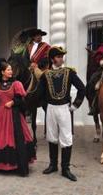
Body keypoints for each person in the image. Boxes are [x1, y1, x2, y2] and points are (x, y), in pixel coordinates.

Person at [37, 46, 85, 182]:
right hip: (51, 108)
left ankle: (65, 168)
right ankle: (53, 165)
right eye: (58, 57)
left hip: (64, 108)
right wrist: (46, 107)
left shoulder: (70, 73)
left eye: (62, 56)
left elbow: (82, 88)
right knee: (51, 136)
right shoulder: (45, 75)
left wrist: (75, 105)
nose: (61, 59)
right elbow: (40, 94)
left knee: (66, 138)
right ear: (52, 59)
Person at [0, 60, 36, 176]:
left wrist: (13, 102)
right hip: (0, 115)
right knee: (1, 138)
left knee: (15, 138)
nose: (11, 71)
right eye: (8, 70)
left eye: (11, 69)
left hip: (13, 115)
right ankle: (2, 164)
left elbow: (21, 99)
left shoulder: (17, 84)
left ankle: (18, 164)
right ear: (2, 72)